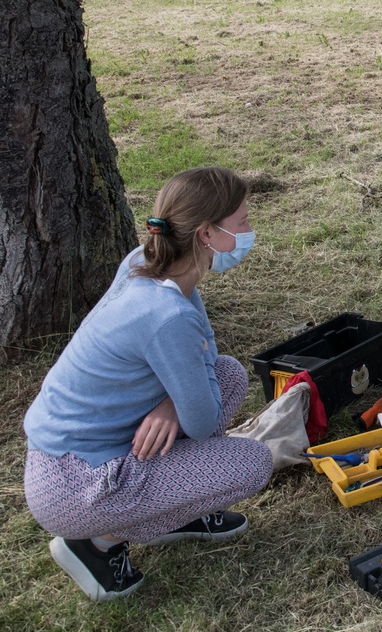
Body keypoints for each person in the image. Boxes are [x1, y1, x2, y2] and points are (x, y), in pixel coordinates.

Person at [23, 167, 273, 602]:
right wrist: (178, 407)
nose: (250, 231)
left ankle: (178, 506)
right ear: (206, 235)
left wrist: (169, 406)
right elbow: (201, 421)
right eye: (242, 223)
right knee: (251, 463)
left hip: (71, 455)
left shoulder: (147, 262)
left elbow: (209, 357)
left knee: (229, 373)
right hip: (76, 484)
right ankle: (96, 543)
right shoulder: (167, 316)